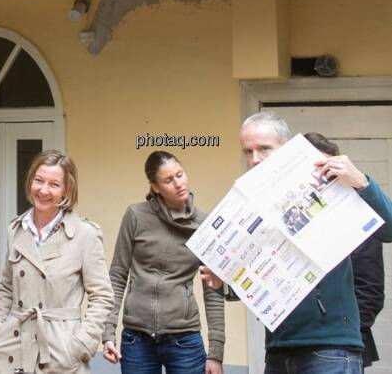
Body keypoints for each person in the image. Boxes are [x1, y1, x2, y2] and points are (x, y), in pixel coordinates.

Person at [200, 112, 392, 374]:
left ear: (290, 148)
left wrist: (361, 181)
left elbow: (389, 230)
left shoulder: (334, 186)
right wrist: (227, 282)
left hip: (330, 349)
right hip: (279, 349)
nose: (254, 159)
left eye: (264, 149)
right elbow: (263, 276)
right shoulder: (253, 207)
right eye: (248, 151)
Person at [0, 149, 114, 374]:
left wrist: (81, 343)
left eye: (54, 184)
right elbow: (6, 287)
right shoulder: (16, 230)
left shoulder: (84, 234)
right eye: (39, 181)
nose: (43, 190)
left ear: (66, 189)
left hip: (60, 352)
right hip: (13, 348)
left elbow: (102, 295)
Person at [102, 150, 225, 374]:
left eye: (180, 174)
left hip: (185, 340)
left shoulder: (204, 225)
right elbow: (118, 275)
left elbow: (213, 290)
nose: (178, 183)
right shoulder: (136, 215)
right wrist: (108, 332)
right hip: (136, 340)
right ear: (155, 186)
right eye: (168, 180)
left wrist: (216, 353)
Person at [304, 132, 385, 370]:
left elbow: (370, 293)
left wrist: (337, 330)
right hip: (286, 349)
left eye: (327, 171)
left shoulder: (357, 219)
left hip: (338, 351)